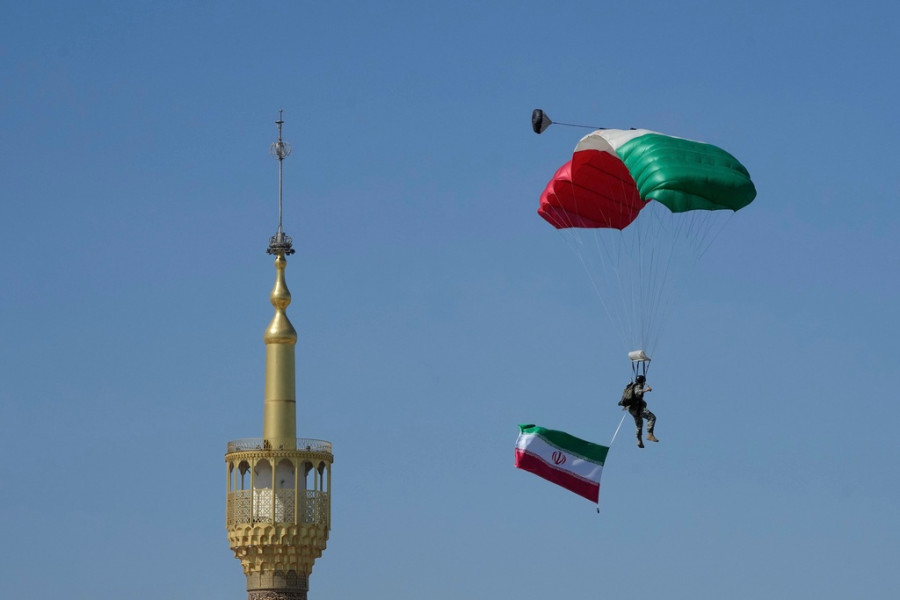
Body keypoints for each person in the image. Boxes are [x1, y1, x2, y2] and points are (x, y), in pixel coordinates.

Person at [618, 375, 658, 448]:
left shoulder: (631, 386)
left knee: (639, 424)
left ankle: (639, 440)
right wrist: (646, 390)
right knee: (652, 417)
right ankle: (650, 434)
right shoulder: (638, 386)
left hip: (632, 409)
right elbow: (638, 392)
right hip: (638, 408)